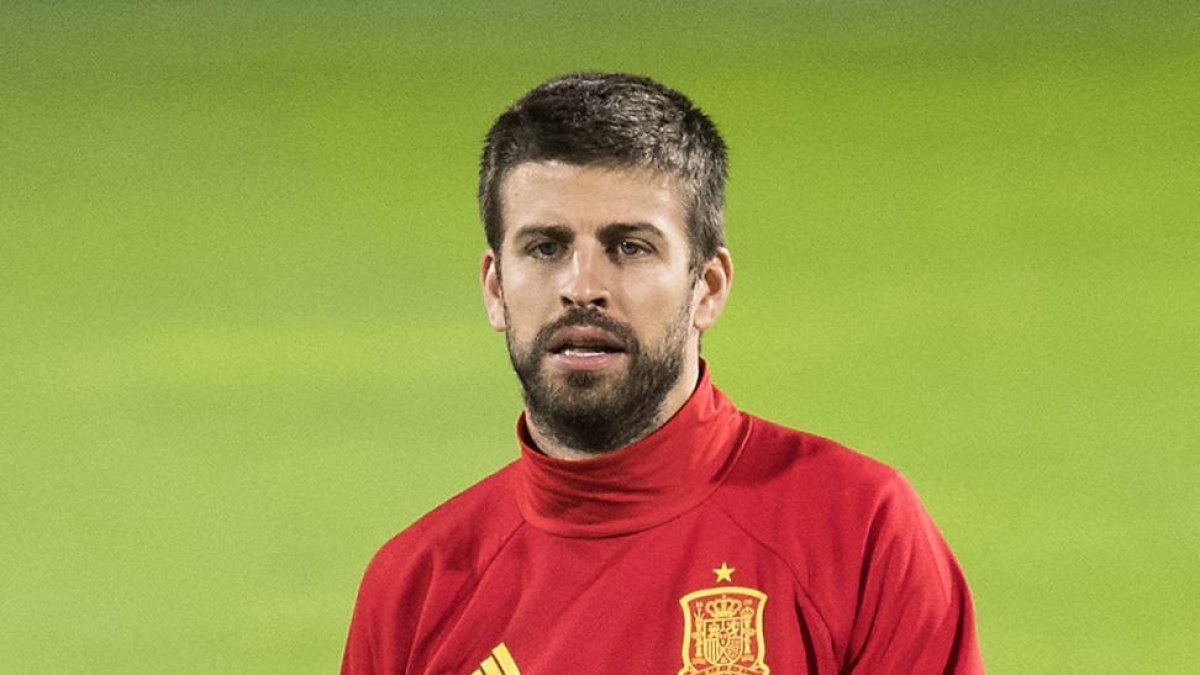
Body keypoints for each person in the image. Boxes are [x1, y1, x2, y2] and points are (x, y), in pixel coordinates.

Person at [341, 72, 983, 675]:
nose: (582, 287)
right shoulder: (414, 588)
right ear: (494, 288)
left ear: (706, 287)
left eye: (629, 247)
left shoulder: (857, 530)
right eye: (545, 247)